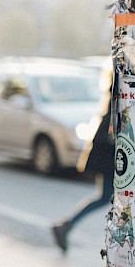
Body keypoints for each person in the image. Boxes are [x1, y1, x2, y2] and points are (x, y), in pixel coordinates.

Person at [52, 72, 115, 253]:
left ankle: (66, 225)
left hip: (105, 151)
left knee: (106, 196)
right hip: (107, 153)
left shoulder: (112, 94)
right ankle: (66, 225)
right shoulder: (118, 96)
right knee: (107, 196)